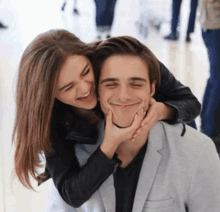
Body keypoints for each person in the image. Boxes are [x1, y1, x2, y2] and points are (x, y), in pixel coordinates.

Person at [12, 29, 201, 210]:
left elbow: (191, 104)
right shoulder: (52, 119)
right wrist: (109, 144)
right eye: (68, 87)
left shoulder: (127, 61)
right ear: (50, 96)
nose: (85, 89)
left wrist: (163, 111)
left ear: (89, 56)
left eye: (86, 72)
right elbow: (72, 194)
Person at [73, 36, 220, 211]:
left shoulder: (198, 152)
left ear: (152, 89)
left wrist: (164, 110)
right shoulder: (73, 152)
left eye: (135, 84)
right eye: (111, 85)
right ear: (96, 90)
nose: (124, 95)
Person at [198, 0, 220, 153]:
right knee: (217, 79)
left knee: (215, 78)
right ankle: (211, 131)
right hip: (215, 24)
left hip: (212, 23)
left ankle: (208, 125)